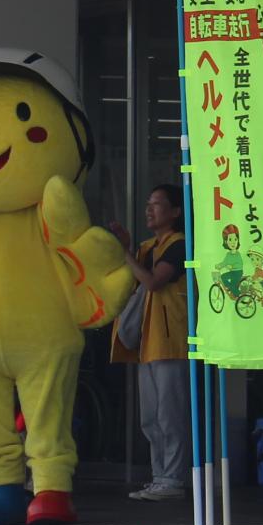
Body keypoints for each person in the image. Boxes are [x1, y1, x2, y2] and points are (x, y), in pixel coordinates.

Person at [111, 185, 190, 501]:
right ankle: (160, 477)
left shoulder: (179, 244)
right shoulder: (147, 247)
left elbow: (154, 282)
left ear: (175, 212)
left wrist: (126, 253)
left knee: (171, 414)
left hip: (170, 341)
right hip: (148, 342)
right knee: (151, 416)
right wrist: (129, 250)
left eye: (156, 204)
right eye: (148, 203)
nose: (149, 209)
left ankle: (173, 479)